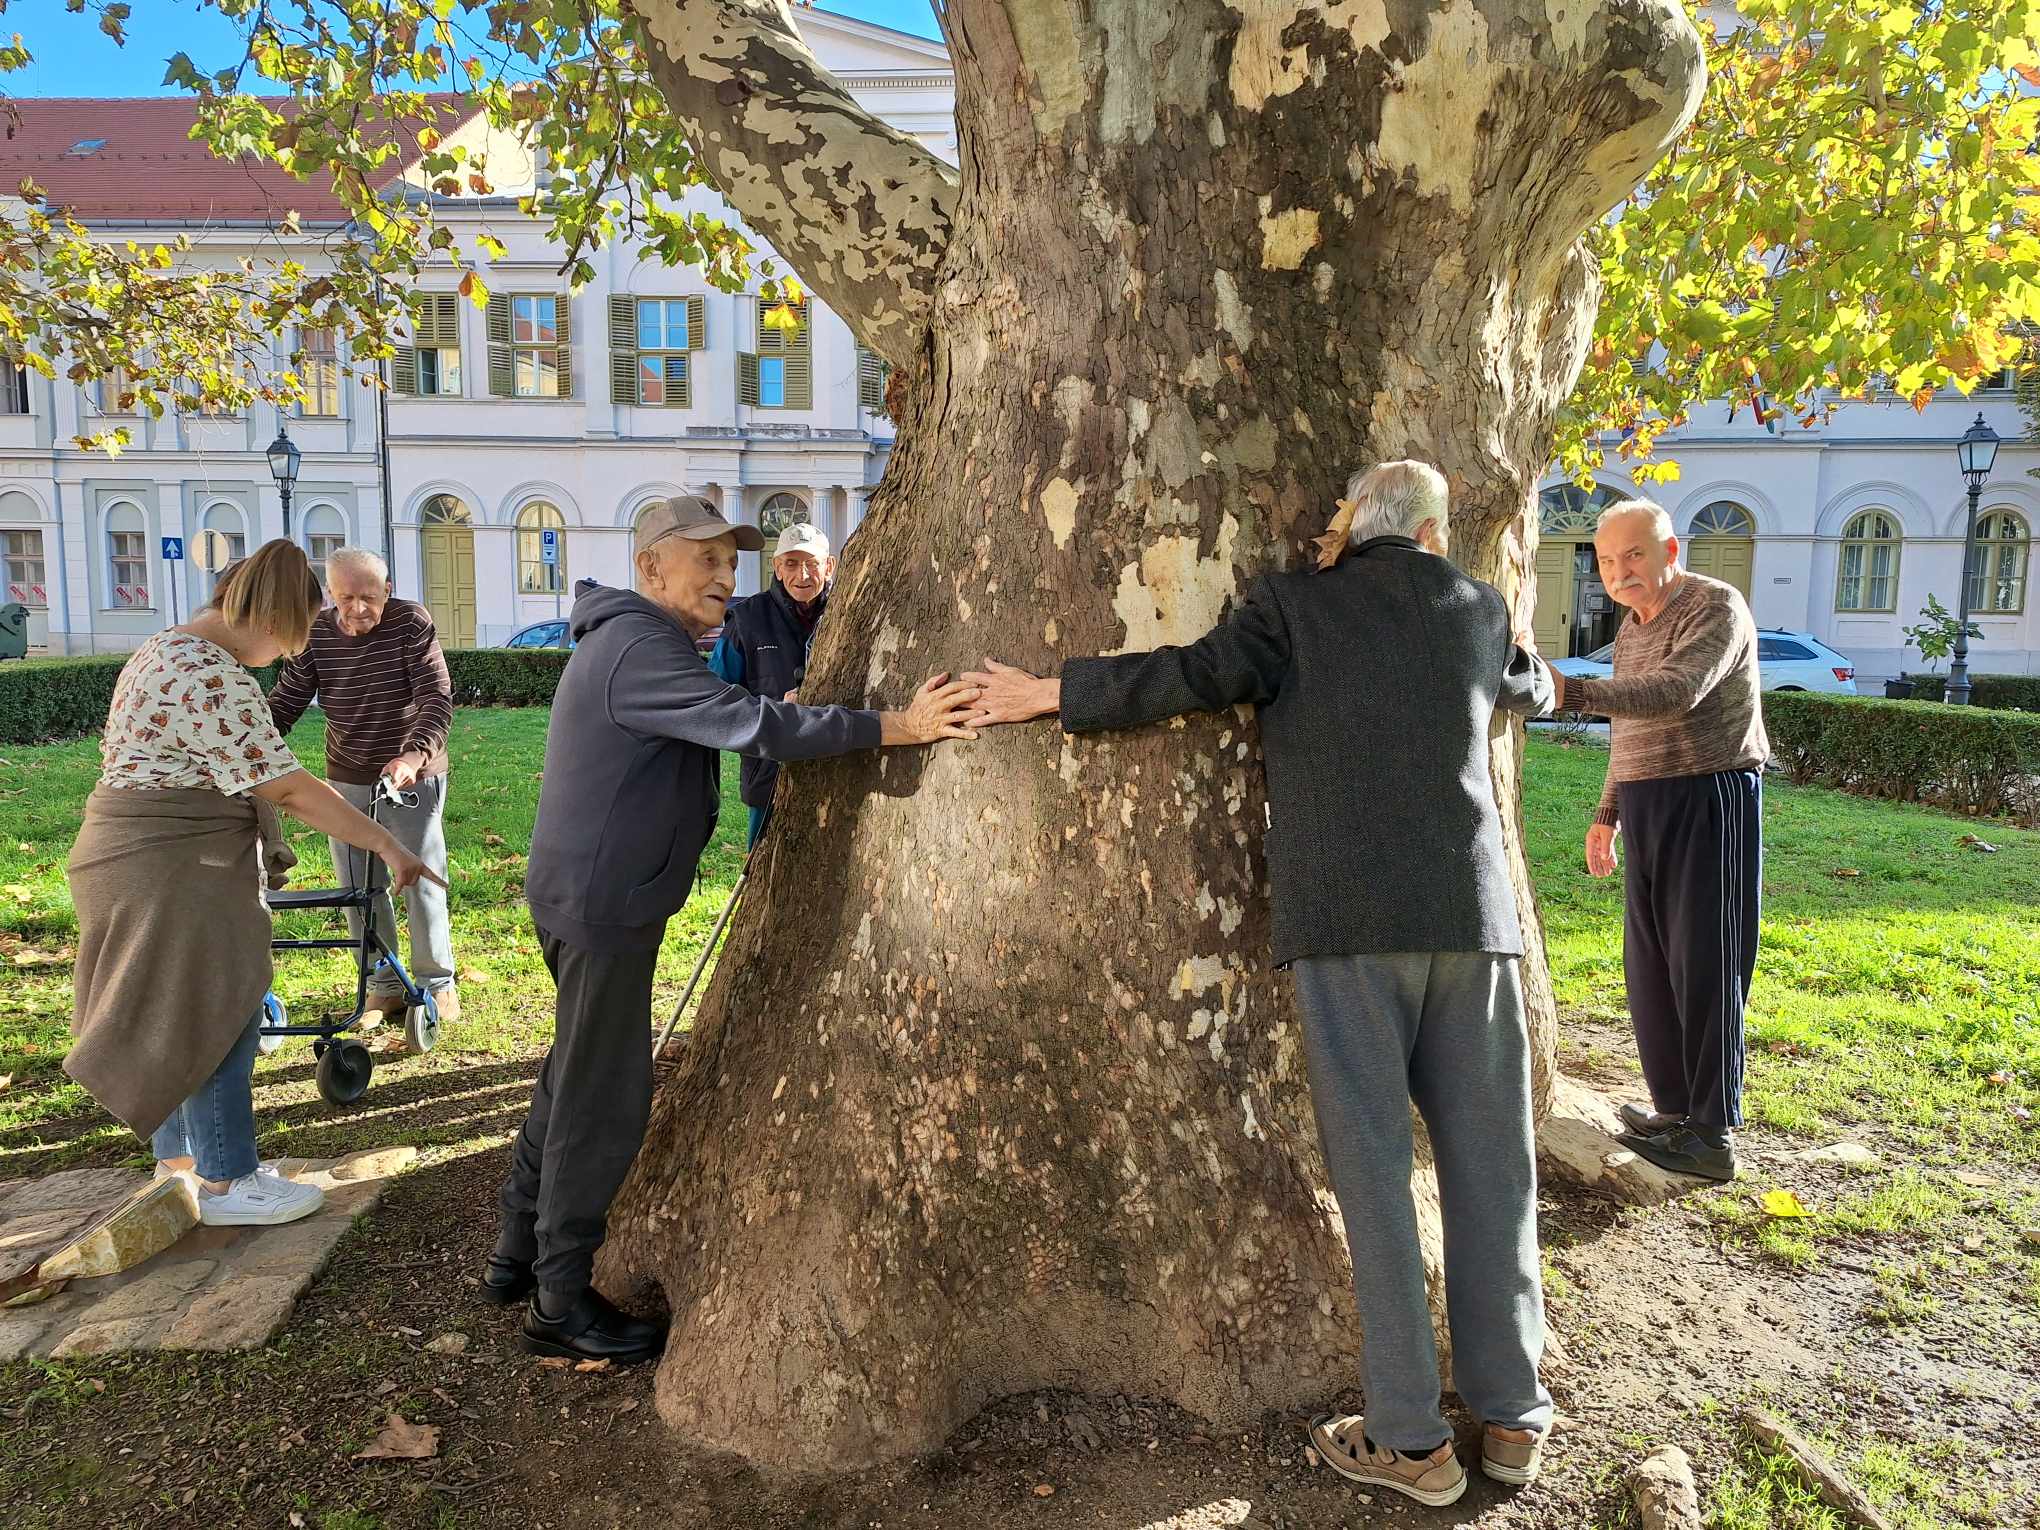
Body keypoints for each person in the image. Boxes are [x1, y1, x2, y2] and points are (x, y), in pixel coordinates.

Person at [965, 462, 1557, 1509]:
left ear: (1353, 529)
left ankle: (1412, 1440)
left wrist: (1051, 691)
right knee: (1494, 1173)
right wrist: (1538, 678)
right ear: (1429, 533)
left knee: (1375, 1179)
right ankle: (1512, 1419)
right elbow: (1526, 683)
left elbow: (1191, 675)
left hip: (1348, 928)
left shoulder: (1295, 605)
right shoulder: (1476, 606)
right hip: (1476, 924)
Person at [485, 495, 980, 1365]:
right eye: (705, 559)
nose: (726, 576)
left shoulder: (637, 641)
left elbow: (724, 710)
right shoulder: (639, 644)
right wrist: (896, 726)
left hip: (585, 896)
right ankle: (558, 1300)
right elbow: (754, 724)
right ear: (651, 568)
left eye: (731, 560)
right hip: (605, 909)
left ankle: (513, 1255)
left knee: (570, 1079)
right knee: (601, 1101)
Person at [65, 540, 442, 1228]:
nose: (287, 658)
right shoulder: (212, 675)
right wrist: (387, 844)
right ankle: (228, 1184)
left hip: (135, 857)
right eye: (293, 640)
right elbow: (291, 790)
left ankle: (181, 1166)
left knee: (171, 1011)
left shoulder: (163, 649)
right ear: (269, 619)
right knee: (222, 1010)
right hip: (169, 862)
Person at [1548, 499, 1765, 1183]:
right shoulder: (1633, 625)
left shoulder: (1714, 606)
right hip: (1647, 804)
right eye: (1608, 561)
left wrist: (1571, 691)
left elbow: (1675, 692)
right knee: (1650, 967)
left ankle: (1711, 1135)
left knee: (1706, 963)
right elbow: (1629, 727)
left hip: (1709, 796)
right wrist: (1607, 812)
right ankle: (1674, 1110)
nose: (1619, 572)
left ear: (1670, 552)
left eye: (1633, 555)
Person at [268, 547, 459, 1023]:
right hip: (347, 775)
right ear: (331, 595)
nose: (358, 609)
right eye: (346, 597)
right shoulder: (316, 634)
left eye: (369, 597)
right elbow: (287, 701)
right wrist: (247, 741)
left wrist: (413, 756)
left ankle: (438, 984)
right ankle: (383, 984)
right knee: (359, 887)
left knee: (420, 877)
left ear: (387, 591)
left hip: (413, 771)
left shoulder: (410, 623)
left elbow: (436, 697)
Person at [709, 520, 835, 846]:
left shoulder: (847, 613)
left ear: (829, 566)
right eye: (791, 564)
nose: (802, 575)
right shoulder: (748, 619)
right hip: (768, 774)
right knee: (762, 870)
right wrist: (775, 712)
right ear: (777, 568)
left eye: (812, 564)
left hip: (838, 767)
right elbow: (717, 694)